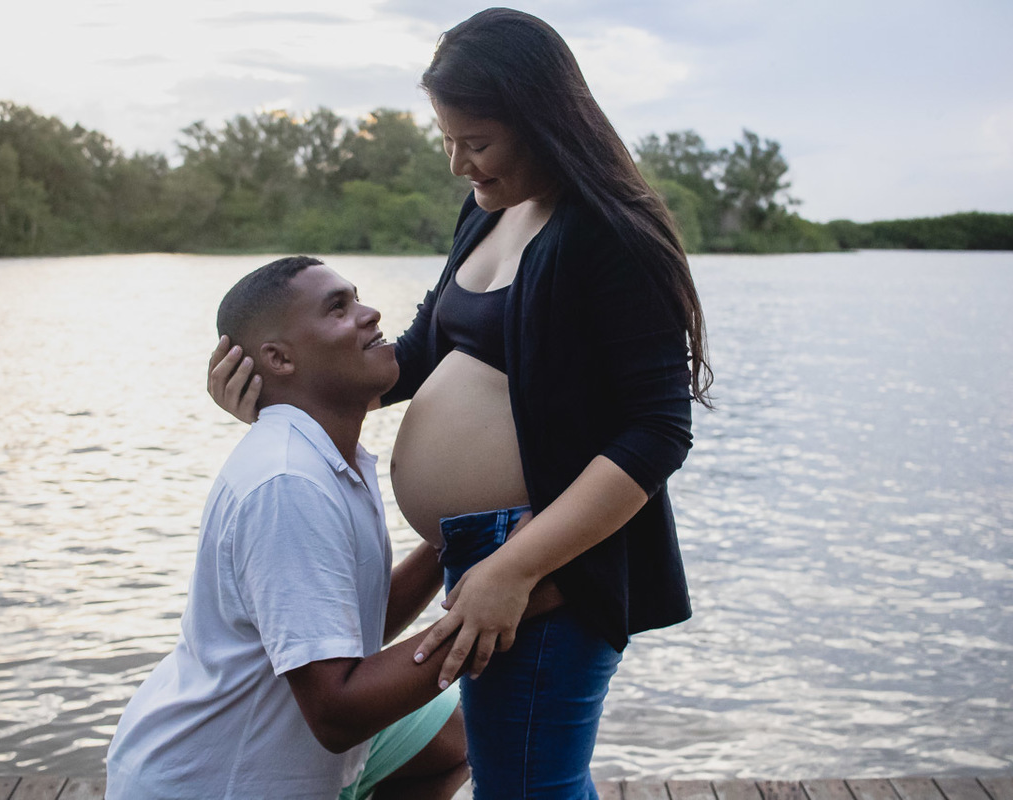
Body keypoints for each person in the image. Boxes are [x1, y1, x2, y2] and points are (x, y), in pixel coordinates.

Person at [208, 8, 713, 798]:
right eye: (448, 140)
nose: (457, 164)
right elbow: (417, 356)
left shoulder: (611, 235)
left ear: (542, 119)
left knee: (529, 787)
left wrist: (513, 567)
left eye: (474, 143)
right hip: (483, 556)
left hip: (544, 562)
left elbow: (657, 433)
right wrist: (282, 394)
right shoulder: (487, 211)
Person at [107, 256, 472, 800]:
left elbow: (349, 624)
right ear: (278, 357)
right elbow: (337, 712)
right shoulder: (288, 482)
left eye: (358, 297)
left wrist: (466, 543)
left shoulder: (327, 456)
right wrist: (486, 614)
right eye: (338, 308)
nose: (371, 315)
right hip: (209, 782)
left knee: (450, 743)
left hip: (276, 752)